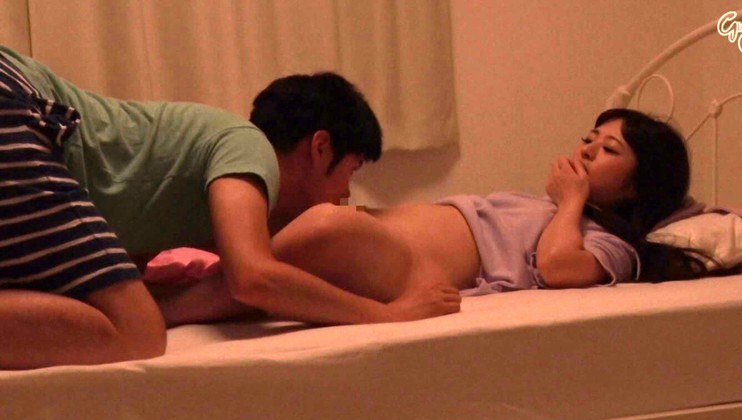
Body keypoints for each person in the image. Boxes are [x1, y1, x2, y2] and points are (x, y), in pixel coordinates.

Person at [0, 46, 459, 370]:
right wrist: (388, 315)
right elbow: (254, 278)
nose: (345, 196)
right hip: (16, 102)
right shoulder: (246, 146)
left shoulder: (175, 178)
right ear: (320, 148)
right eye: (351, 172)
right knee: (137, 331)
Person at [156, 108, 702, 327]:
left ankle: (176, 308)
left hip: (419, 270)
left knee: (326, 225)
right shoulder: (548, 208)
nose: (585, 150)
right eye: (589, 137)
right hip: (384, 239)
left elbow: (559, 268)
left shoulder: (612, 245)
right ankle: (184, 288)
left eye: (608, 150)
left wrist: (573, 201)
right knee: (279, 232)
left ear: (638, 187)